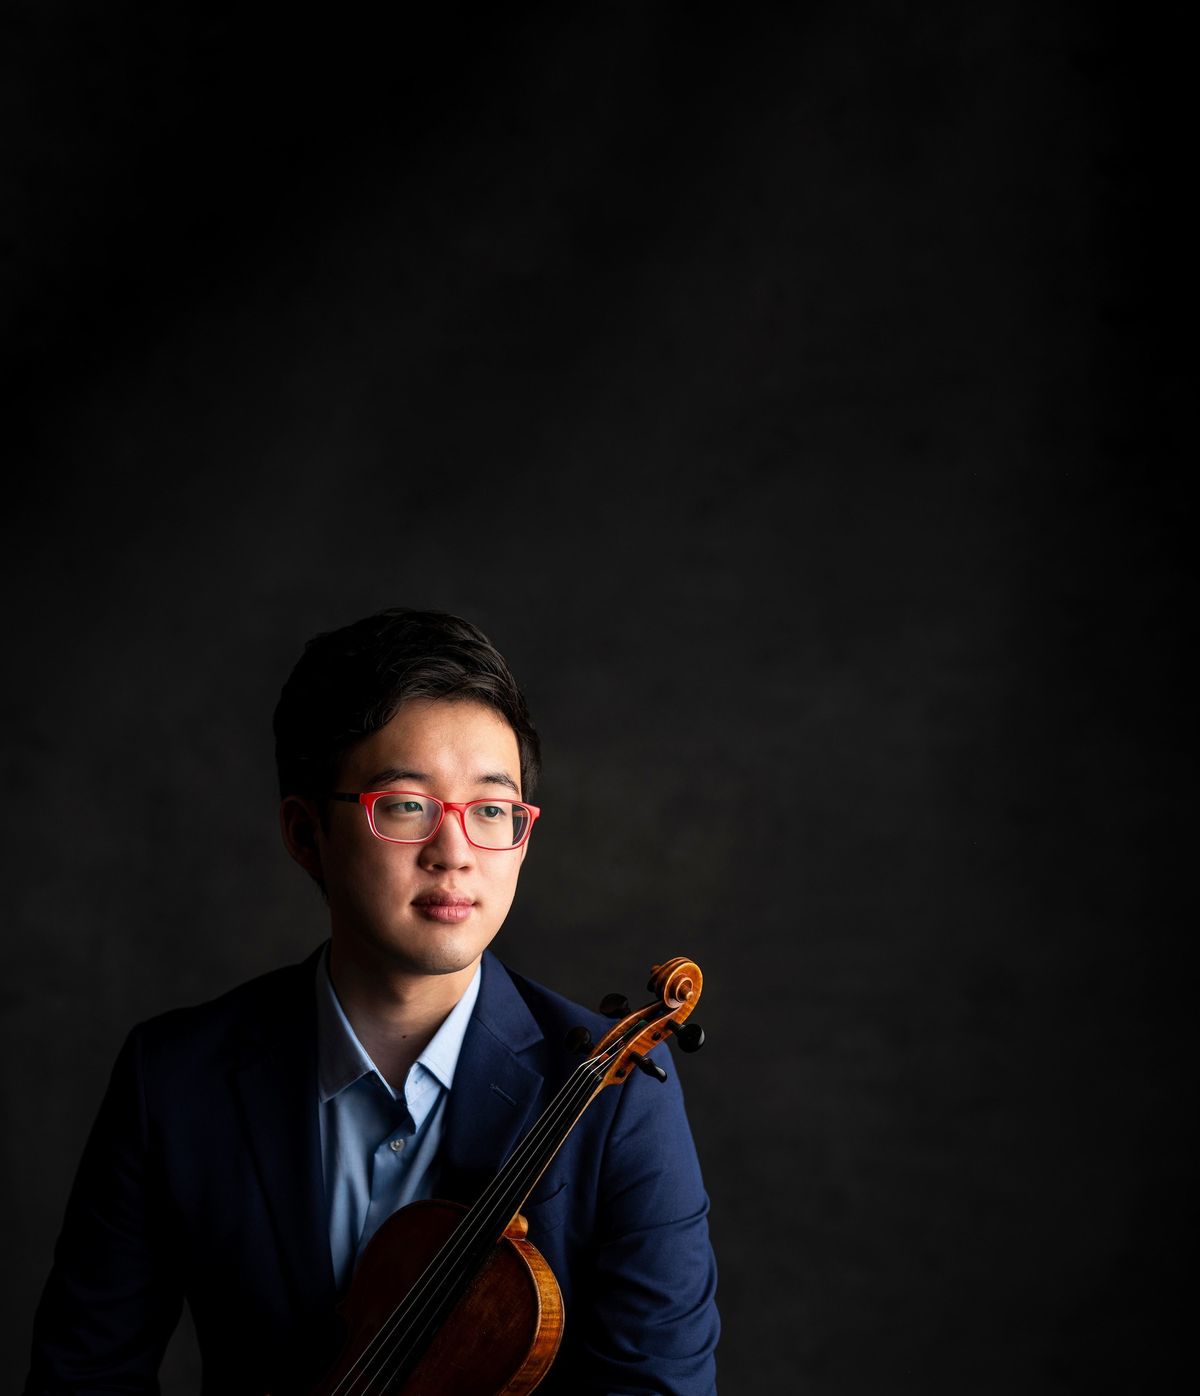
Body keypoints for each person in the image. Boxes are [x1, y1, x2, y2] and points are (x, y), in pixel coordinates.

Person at [24, 607, 719, 1395]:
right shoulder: (174, 1079)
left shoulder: (621, 1099)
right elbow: (82, 1377)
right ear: (304, 832)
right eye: (406, 806)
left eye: (491, 809)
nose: (454, 854)